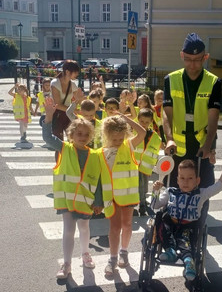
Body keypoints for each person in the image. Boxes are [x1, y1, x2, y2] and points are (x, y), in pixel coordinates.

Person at [152, 149, 222, 281]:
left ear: (197, 180)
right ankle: (170, 251)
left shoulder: (201, 194)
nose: (185, 182)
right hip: (170, 222)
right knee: (161, 223)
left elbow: (220, 185)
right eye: (182, 178)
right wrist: (156, 192)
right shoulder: (170, 192)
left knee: (185, 239)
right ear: (177, 180)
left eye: (190, 178)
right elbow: (155, 206)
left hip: (189, 227)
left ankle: (188, 262)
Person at [42, 97, 103, 279]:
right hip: (67, 199)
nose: (82, 138)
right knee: (68, 230)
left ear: (91, 136)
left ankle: (85, 254)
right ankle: (66, 264)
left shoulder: (94, 155)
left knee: (84, 228)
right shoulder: (64, 148)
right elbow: (47, 137)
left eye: (86, 135)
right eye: (79, 134)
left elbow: (98, 179)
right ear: (71, 135)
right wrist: (48, 116)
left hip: (85, 200)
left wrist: (98, 201)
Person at [163, 32, 222, 192]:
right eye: (188, 59)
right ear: (182, 55)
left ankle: (199, 216)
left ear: (205, 57)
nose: (192, 64)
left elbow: (213, 117)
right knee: (175, 188)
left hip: (201, 144)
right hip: (178, 145)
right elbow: (167, 113)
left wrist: (208, 144)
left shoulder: (214, 82)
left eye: (197, 60)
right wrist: (169, 139)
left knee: (203, 189)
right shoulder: (171, 79)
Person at [99, 113, 146, 276]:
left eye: (120, 139)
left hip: (128, 196)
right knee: (114, 228)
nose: (118, 142)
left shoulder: (129, 145)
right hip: (111, 198)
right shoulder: (100, 152)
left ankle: (124, 253)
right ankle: (112, 259)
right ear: (106, 136)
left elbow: (142, 133)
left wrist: (125, 119)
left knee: (127, 225)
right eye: (114, 140)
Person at [134, 108, 162, 216]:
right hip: (134, 165)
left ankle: (142, 202)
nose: (144, 124)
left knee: (143, 186)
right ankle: (138, 205)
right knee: (135, 186)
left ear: (151, 122)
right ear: (138, 119)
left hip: (145, 167)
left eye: (147, 122)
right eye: (142, 121)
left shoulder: (154, 136)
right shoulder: (133, 131)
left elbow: (155, 150)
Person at [50, 60, 80, 141]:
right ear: (67, 72)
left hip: (68, 114)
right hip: (57, 115)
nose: (77, 74)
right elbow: (57, 104)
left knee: (72, 139)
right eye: (75, 72)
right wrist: (74, 110)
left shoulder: (73, 85)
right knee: (59, 142)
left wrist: (80, 104)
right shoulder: (55, 83)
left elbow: (77, 99)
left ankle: (70, 154)